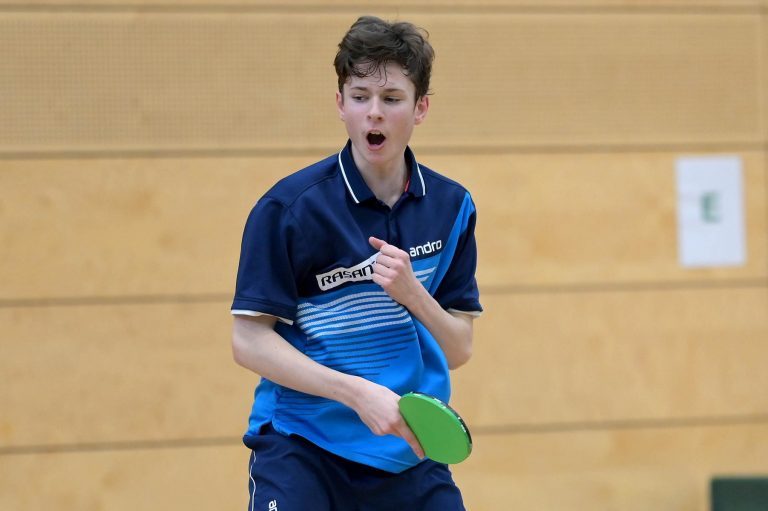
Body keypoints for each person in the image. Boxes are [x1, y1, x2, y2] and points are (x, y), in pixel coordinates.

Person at [231, 15, 482, 511]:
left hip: (407, 450)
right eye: (360, 96)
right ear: (340, 104)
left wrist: (414, 295)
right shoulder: (290, 209)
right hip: (303, 445)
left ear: (421, 108)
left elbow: (458, 349)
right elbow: (248, 340)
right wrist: (356, 393)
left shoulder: (451, 208)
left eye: (392, 99)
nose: (374, 113)